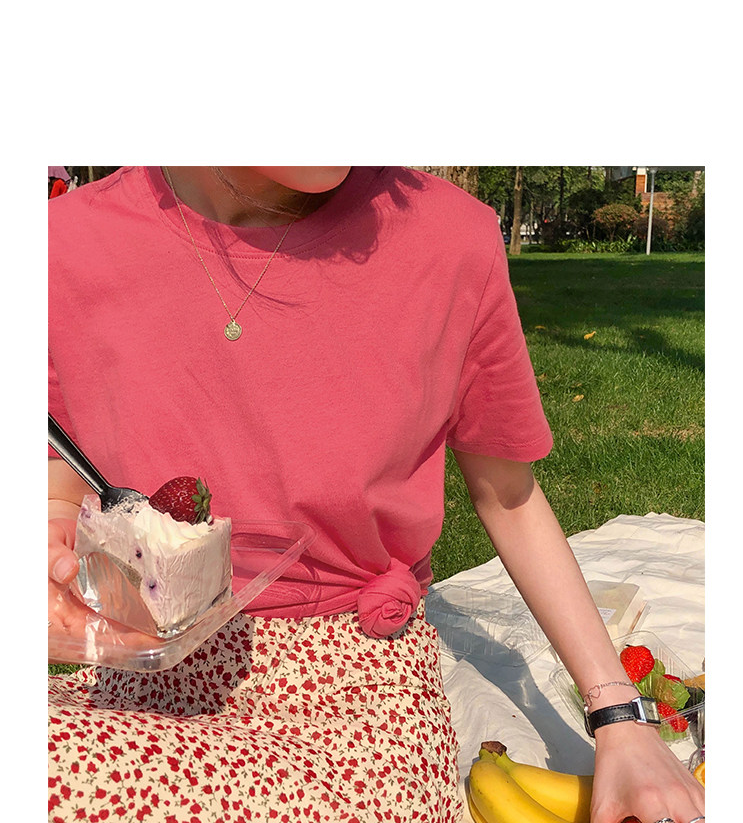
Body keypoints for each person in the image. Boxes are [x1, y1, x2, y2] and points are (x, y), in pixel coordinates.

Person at [48, 166, 705, 823]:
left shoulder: (449, 239)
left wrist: (621, 716)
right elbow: (62, 463)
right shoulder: (61, 246)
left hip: (356, 700)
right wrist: (49, 541)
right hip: (139, 671)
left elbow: (509, 497)